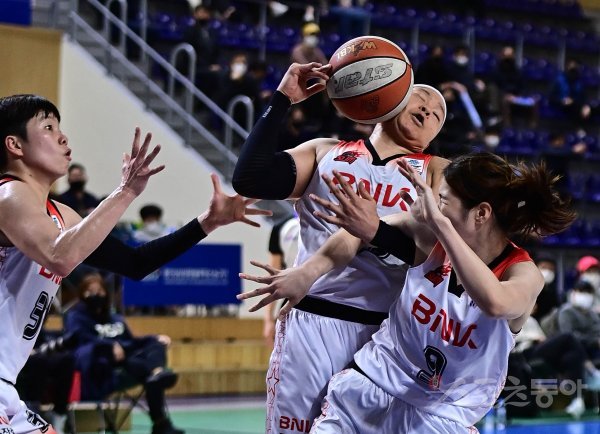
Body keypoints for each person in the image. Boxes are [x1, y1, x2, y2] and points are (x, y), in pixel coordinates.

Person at [239, 152, 576, 432]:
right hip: (369, 386)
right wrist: (307, 273)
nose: (434, 206)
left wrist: (440, 223)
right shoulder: (430, 235)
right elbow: (357, 235)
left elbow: (495, 303)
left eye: (443, 199)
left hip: (442, 415)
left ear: (481, 213)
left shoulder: (523, 273)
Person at [0, 94, 270, 434]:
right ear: (15, 144)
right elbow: (60, 257)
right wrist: (125, 191)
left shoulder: (61, 215)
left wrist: (208, 222)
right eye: (48, 128)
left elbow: (136, 262)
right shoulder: (8, 194)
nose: (63, 137)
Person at [232, 62, 449, 432]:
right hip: (314, 318)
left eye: (438, 114)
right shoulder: (325, 152)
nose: (429, 110)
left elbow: (440, 259)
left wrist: (375, 232)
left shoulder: (437, 171)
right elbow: (250, 178)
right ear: (390, 97)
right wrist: (283, 99)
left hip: (389, 336)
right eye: (421, 99)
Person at [64, 273, 180, 434]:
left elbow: (132, 341)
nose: (95, 295)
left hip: (128, 360)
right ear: (82, 294)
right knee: (148, 375)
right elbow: (79, 341)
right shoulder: (76, 317)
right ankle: (160, 421)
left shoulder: (116, 318)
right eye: (90, 291)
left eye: (99, 291)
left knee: (156, 346)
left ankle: (157, 373)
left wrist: (155, 338)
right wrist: (109, 346)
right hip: (103, 368)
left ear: (106, 293)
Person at [263, 214, 300, 347]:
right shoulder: (281, 227)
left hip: (326, 298)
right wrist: (268, 319)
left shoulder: (330, 224)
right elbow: (273, 278)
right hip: (291, 302)